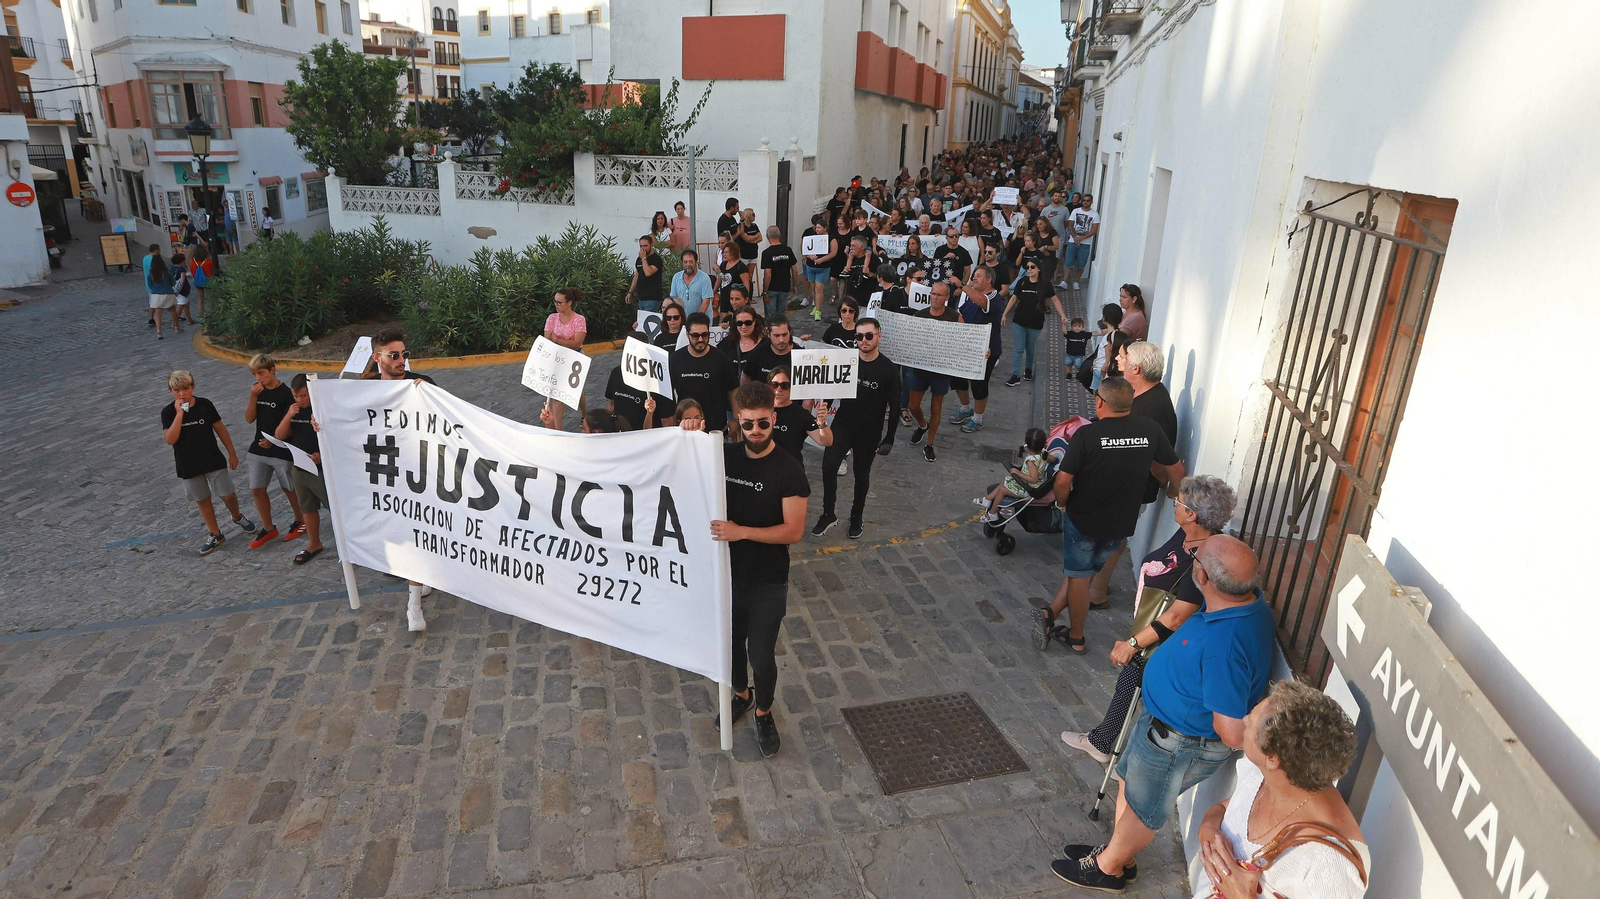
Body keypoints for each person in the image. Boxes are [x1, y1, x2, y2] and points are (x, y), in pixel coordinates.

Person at [1049, 536, 1276, 891]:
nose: (1191, 558)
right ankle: (1121, 854)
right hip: (1161, 729)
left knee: (1144, 809)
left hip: (1176, 743)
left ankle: (1106, 868)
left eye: (1195, 558)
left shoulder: (1225, 646)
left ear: (1202, 578)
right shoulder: (1244, 604)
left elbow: (1232, 732)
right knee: (1130, 785)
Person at [1059, 475, 1237, 764]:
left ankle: (1113, 752)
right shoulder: (1188, 533)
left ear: (1192, 514)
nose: (1174, 503)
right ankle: (1106, 744)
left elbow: (1179, 615)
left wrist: (1132, 642)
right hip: (1151, 629)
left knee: (1139, 690)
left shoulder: (1204, 556)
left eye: (1179, 501)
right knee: (1131, 687)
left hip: (1166, 641)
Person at [687, 382, 808, 758]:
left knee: (761, 655)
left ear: (774, 418)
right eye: (749, 424)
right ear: (737, 420)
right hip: (726, 577)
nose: (756, 432)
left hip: (768, 580)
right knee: (731, 648)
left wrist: (741, 532)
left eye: (764, 424)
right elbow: (682, 464)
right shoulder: (724, 457)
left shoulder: (789, 470)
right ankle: (740, 694)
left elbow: (794, 531)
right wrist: (685, 434)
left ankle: (763, 710)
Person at [1037, 378, 1184, 652]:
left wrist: (1061, 504)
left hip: (1083, 519)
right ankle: (1051, 613)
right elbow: (1175, 469)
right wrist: (1176, 494)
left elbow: (1062, 481)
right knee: (1083, 571)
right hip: (1120, 525)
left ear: (1100, 401)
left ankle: (1077, 637)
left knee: (1079, 576)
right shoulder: (1149, 429)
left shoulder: (1087, 434)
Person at [1190, 682, 1367, 899]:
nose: (1245, 719)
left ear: (1272, 758)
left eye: (1251, 722)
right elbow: (1226, 807)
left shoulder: (1332, 864)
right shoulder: (1265, 774)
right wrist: (1208, 829)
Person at [364, 329, 438, 631]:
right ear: (376, 357)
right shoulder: (362, 391)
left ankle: (413, 604)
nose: (401, 360)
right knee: (403, 536)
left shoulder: (421, 384)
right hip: (384, 474)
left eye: (404, 354)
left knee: (415, 537)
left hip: (419, 473)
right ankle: (420, 584)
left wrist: (429, 397)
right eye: (394, 355)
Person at [813, 317, 900, 540]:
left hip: (869, 432)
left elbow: (896, 406)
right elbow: (833, 390)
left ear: (879, 336)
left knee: (861, 475)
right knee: (828, 466)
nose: (864, 340)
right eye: (859, 336)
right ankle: (828, 513)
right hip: (842, 425)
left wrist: (889, 438)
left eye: (869, 336)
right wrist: (823, 414)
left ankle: (856, 516)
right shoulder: (848, 361)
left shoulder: (889, 369)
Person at [162, 370, 256, 556]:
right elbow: (170, 439)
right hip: (188, 464)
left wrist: (231, 453)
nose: (182, 394)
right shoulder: (168, 412)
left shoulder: (205, 405)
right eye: (177, 390)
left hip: (212, 459)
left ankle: (237, 516)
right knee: (202, 499)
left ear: (193, 387)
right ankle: (215, 534)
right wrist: (179, 415)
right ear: (170, 390)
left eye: (185, 389)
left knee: (227, 494)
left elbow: (220, 429)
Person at [241, 354, 305, 548]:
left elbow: (292, 424)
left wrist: (275, 441)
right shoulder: (257, 392)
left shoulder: (286, 393)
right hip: (259, 446)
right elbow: (249, 418)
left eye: (261, 373)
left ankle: (300, 520)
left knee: (289, 487)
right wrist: (253, 396)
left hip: (281, 448)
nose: (258, 378)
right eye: (255, 374)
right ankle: (268, 528)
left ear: (272, 370)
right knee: (256, 489)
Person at [905, 279, 960, 462]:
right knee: (913, 405)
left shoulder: (955, 317)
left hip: (941, 370)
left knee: (936, 407)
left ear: (947, 297)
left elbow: (966, 341)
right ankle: (922, 425)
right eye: (933, 294)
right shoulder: (919, 315)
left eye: (939, 294)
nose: (935, 297)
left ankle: (929, 443)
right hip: (921, 368)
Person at [276, 375, 327, 566]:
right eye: (296, 396)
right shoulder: (294, 410)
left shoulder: (321, 409)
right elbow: (280, 436)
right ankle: (314, 543)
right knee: (307, 507)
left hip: (321, 468)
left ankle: (350, 542)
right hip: (300, 466)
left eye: (303, 396)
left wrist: (322, 455)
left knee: (334, 506)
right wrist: (289, 415)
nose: (299, 400)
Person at [948, 265, 1003, 433]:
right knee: (957, 378)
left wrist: (962, 285)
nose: (974, 278)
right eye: (973, 276)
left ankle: (978, 418)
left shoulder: (994, 297)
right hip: (967, 347)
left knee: (979, 384)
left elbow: (982, 302)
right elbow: (961, 316)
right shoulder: (970, 298)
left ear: (989, 279)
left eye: (978, 276)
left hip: (986, 350)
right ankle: (966, 408)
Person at [669, 312, 740, 432]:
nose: (701, 339)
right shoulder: (675, 359)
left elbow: (733, 389)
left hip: (716, 428)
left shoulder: (720, 358)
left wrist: (735, 419)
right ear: (687, 334)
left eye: (705, 335)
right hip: (686, 428)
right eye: (695, 336)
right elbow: (668, 393)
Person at [1003, 258, 1063, 386]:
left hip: (1035, 322)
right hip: (1019, 320)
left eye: (1032, 267)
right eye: (1028, 267)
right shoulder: (1022, 282)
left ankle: (1028, 369)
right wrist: (1005, 314)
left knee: (1030, 348)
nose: (1029, 269)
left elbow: (1055, 300)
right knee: (1018, 348)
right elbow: (1014, 299)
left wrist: (1062, 315)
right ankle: (1015, 375)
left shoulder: (1045, 284)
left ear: (1039, 269)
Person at [978, 427, 1049, 521]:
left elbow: (1033, 479)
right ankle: (987, 499)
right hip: (1029, 485)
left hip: (1029, 489)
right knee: (1007, 479)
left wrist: (1019, 473)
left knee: (1002, 490)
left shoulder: (1031, 461)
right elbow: (1053, 459)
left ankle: (993, 513)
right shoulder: (1044, 453)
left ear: (1026, 443)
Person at [542, 288, 588, 430]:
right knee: (557, 395)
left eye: (559, 302)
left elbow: (576, 342)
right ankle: (558, 429)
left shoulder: (579, 319)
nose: (556, 305)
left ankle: (584, 414)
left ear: (569, 303)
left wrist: (557, 339)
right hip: (557, 358)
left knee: (577, 393)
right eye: (555, 301)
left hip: (575, 358)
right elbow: (547, 339)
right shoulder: (552, 318)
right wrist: (560, 341)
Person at [767, 368, 832, 459]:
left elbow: (826, 441)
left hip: (790, 467)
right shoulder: (760, 410)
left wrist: (822, 423)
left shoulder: (800, 414)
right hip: (763, 467)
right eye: (774, 385)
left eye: (785, 385)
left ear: (793, 387)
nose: (779, 389)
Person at [606, 359, 674, 431]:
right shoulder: (616, 373)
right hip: (621, 436)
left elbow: (667, 421)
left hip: (650, 437)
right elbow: (611, 404)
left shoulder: (659, 379)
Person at [800, 215, 836, 318]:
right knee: (814, 288)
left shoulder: (831, 238)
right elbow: (805, 249)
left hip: (823, 267)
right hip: (811, 266)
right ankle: (815, 306)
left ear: (825, 228)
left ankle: (818, 311)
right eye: (816, 227)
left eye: (819, 227)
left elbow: (833, 253)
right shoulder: (811, 236)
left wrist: (821, 259)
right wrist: (809, 256)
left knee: (819, 288)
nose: (817, 229)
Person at [1063, 192, 1100, 291]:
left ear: (1091, 202)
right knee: (1068, 262)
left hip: (1085, 243)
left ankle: (1076, 281)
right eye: (1084, 200)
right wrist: (1075, 237)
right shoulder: (1075, 211)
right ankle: (1064, 282)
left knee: (1081, 263)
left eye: (1088, 201)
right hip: (1072, 241)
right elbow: (1070, 225)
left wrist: (1081, 238)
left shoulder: (1095, 214)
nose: (1085, 202)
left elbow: (1094, 230)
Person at [743, 315, 795, 384]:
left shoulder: (800, 355)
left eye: (784, 334)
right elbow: (746, 376)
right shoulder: (758, 353)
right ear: (768, 334)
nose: (781, 340)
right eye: (776, 335)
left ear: (790, 332)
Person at [759, 226, 799, 317]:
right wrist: (794, 285)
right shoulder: (788, 250)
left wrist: (765, 291)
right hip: (785, 287)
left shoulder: (766, 253)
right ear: (779, 235)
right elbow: (795, 270)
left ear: (767, 236)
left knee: (770, 316)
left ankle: (771, 331)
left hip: (772, 288)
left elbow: (768, 274)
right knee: (781, 314)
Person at [669, 249, 717, 315]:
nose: (688, 264)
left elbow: (706, 302)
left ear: (696, 262)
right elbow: (673, 299)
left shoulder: (704, 278)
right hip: (682, 320)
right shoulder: (676, 277)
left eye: (691, 262)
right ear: (682, 263)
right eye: (685, 262)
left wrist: (696, 319)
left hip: (701, 320)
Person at [715, 232, 751, 317]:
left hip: (735, 299)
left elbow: (746, 285)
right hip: (724, 296)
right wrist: (713, 291)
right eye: (724, 252)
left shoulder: (741, 267)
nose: (724, 254)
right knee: (724, 319)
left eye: (727, 252)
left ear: (733, 252)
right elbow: (720, 279)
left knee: (733, 318)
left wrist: (746, 299)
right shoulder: (724, 264)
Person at [145, 245, 178, 338]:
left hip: (156, 293)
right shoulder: (166, 271)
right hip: (168, 292)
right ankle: (176, 326)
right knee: (172, 310)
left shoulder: (151, 272)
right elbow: (173, 282)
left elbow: (149, 283)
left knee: (158, 312)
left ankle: (159, 331)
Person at [626, 236, 665, 312]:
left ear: (651, 245)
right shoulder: (639, 259)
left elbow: (648, 273)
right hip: (641, 297)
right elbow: (637, 276)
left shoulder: (656, 259)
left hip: (652, 298)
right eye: (641, 246)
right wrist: (630, 292)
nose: (643, 248)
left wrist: (644, 258)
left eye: (645, 246)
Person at [737, 208, 763, 295]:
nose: (754, 216)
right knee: (743, 276)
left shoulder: (754, 226)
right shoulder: (741, 226)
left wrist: (751, 241)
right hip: (744, 254)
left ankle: (749, 295)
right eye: (753, 214)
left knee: (750, 276)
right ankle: (742, 294)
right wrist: (755, 236)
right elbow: (745, 237)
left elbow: (760, 237)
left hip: (753, 254)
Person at [186, 243, 213, 321]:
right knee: (210, 299)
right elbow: (211, 270)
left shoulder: (193, 262)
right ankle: (210, 314)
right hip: (208, 281)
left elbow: (192, 271)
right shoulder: (209, 261)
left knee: (200, 299)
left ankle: (201, 316)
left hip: (198, 282)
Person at [171, 248, 196, 325]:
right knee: (181, 305)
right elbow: (182, 280)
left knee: (186, 304)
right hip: (181, 290)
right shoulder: (181, 269)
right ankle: (174, 322)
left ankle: (189, 319)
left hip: (174, 288)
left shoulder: (172, 268)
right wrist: (179, 289)